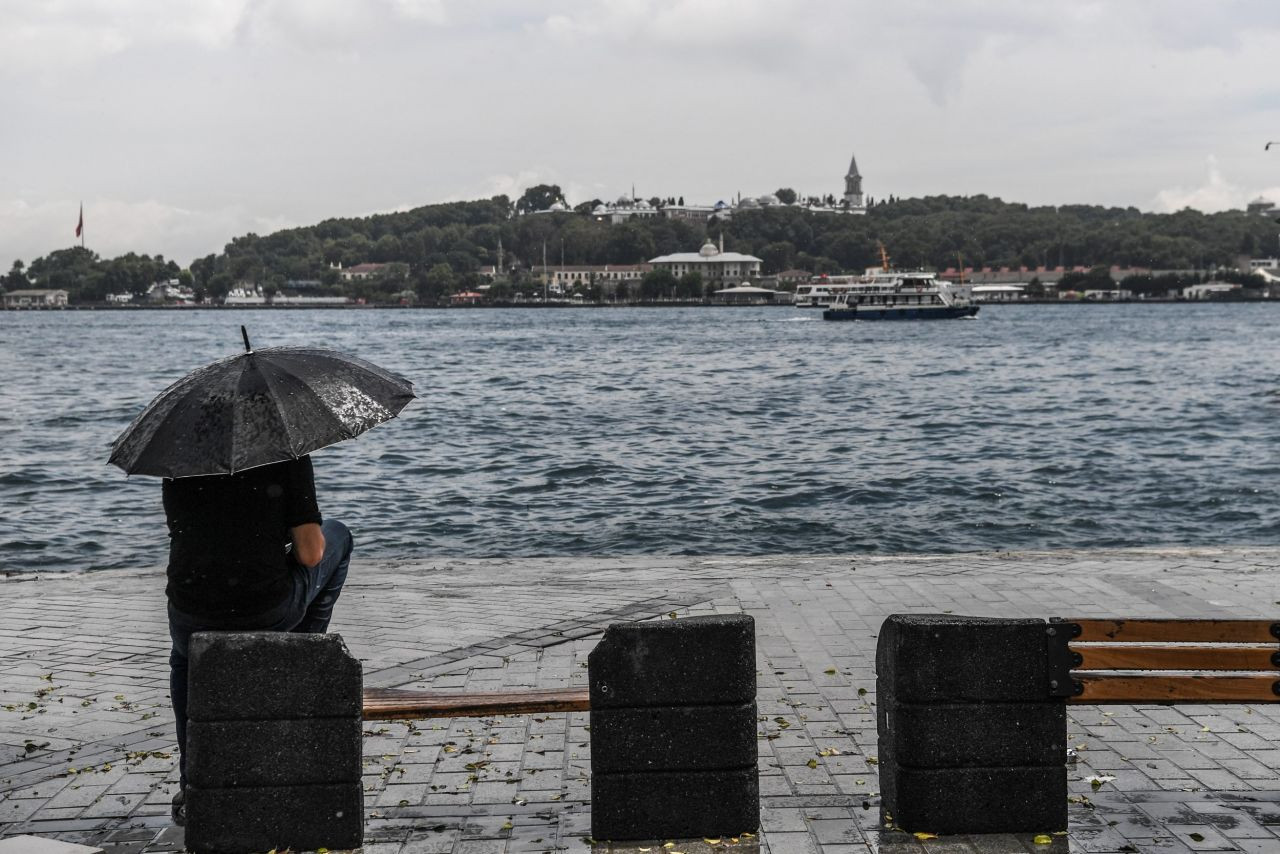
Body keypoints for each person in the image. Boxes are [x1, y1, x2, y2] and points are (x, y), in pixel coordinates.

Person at [162, 455, 352, 825]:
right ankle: (299, 655)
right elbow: (311, 554)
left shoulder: (180, 462)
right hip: (264, 607)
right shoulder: (285, 458)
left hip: (191, 610)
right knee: (339, 535)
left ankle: (194, 785)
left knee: (185, 658)